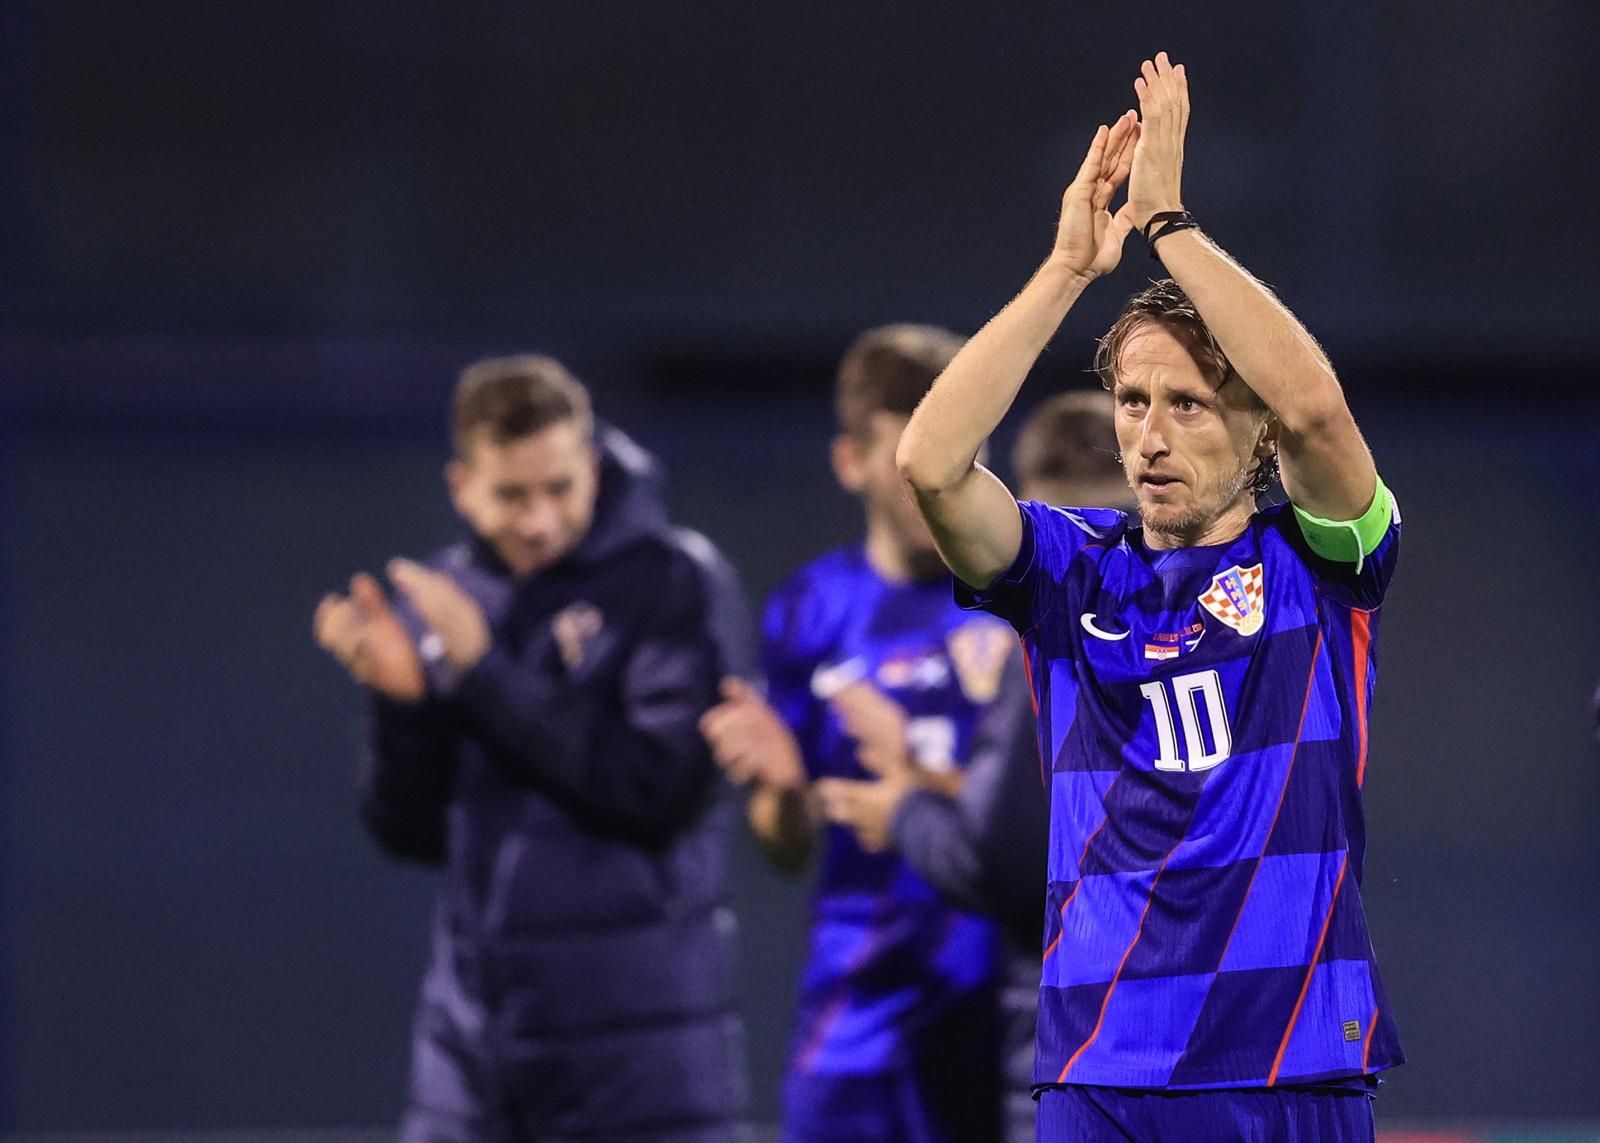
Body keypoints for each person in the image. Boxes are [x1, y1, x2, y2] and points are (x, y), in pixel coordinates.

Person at [894, 53, 1404, 1141]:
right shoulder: (1069, 567)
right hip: (1097, 1066)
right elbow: (932, 465)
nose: (1149, 433)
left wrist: (1168, 220)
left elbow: (1316, 409)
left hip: (1285, 1064)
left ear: (1252, 427)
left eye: (1189, 402)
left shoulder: (1322, 564)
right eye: (1130, 400)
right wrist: (1067, 271)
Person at [314, 355, 749, 1143]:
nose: (539, 520)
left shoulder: (672, 580)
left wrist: (482, 671)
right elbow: (409, 833)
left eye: (560, 488)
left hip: (642, 1050)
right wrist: (402, 706)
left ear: (591, 465)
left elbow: (657, 790)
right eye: (511, 495)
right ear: (461, 486)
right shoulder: (442, 595)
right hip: (475, 1045)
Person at [699, 325, 1013, 1143]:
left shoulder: (1032, 591)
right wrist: (779, 789)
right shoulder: (810, 610)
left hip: (1011, 1000)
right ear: (852, 462)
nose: (936, 477)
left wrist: (917, 787)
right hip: (859, 996)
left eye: (961, 447)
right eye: (913, 458)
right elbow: (787, 845)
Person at [816, 390, 1132, 1143]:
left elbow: (1014, 856)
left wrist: (903, 808)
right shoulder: (1217, 621)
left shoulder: (1061, 610)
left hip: (1090, 1053)